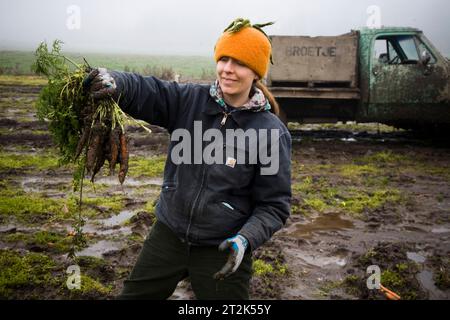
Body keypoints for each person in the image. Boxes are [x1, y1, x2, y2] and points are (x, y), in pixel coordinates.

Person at [83, 18, 292, 300]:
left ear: (256, 72)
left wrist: (245, 240)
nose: (228, 69)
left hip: (222, 248)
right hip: (169, 235)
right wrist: (116, 81)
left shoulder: (269, 132)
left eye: (240, 63)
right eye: (224, 59)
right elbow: (148, 91)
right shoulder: (189, 101)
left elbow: (274, 205)